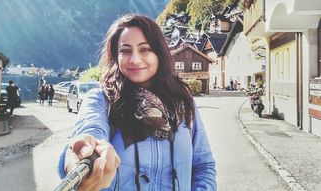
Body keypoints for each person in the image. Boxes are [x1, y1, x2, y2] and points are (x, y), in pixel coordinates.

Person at [58, 14, 217, 190]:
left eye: (144, 49)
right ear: (115, 56)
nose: (134, 59)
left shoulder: (183, 102)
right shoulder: (102, 100)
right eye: (125, 51)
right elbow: (90, 128)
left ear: (159, 53)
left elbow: (203, 165)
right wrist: (84, 155)